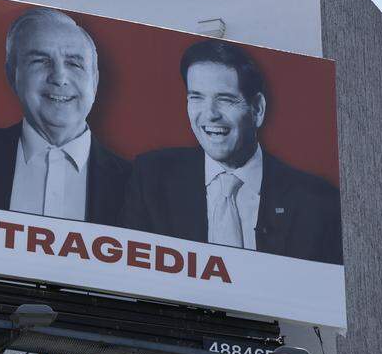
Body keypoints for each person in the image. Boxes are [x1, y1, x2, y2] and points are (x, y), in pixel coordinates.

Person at [122, 40, 342, 263]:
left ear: (257, 109)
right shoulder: (151, 178)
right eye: (196, 97)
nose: (210, 114)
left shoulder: (317, 202)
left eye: (225, 99)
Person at [0, 7, 130, 225]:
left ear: (94, 80)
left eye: (74, 63)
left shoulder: (136, 185)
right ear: (12, 74)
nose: (59, 78)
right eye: (40, 61)